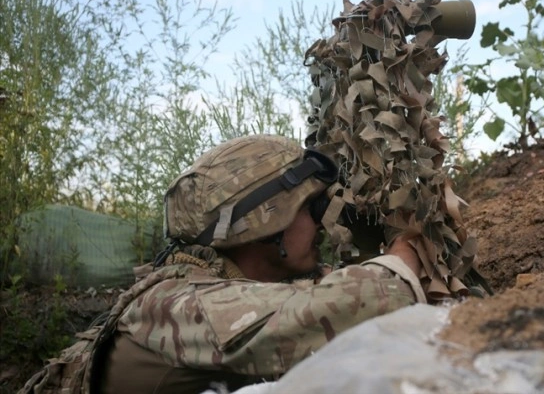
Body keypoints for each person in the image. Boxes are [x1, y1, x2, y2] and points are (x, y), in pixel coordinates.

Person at [21, 135, 426, 394]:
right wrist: (405, 250)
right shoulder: (181, 303)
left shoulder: (211, 283)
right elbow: (350, 305)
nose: (322, 221)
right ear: (267, 221)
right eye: (310, 206)